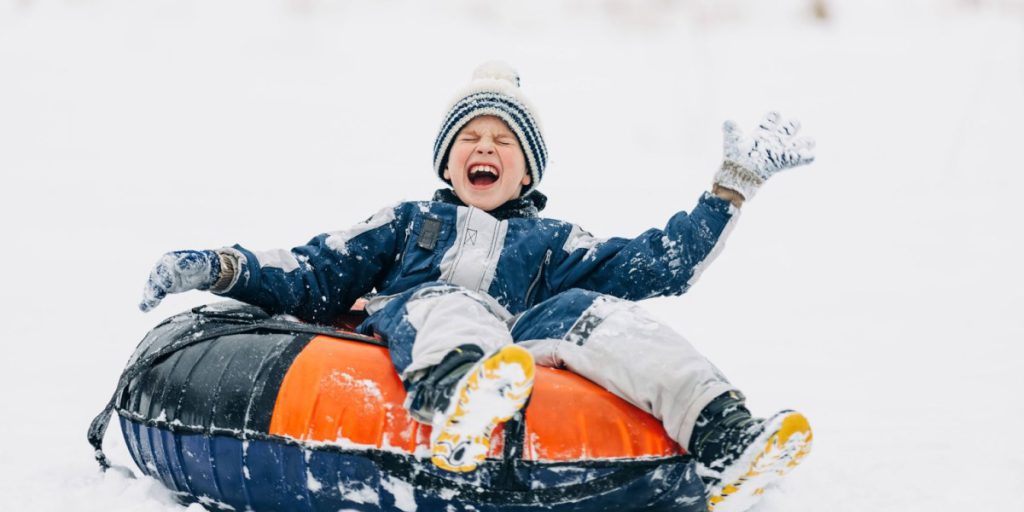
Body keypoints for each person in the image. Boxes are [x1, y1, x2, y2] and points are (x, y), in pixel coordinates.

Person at [139, 62, 816, 512]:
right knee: (452, 302)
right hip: (426, 332)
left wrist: (731, 188)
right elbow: (314, 269)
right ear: (446, 159)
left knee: (598, 315)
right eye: (469, 136)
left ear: (526, 173)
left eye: (503, 140)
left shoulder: (554, 243)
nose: (484, 148)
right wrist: (222, 266)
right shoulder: (407, 225)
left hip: (525, 352)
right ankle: (460, 396)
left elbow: (661, 263)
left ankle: (723, 430)